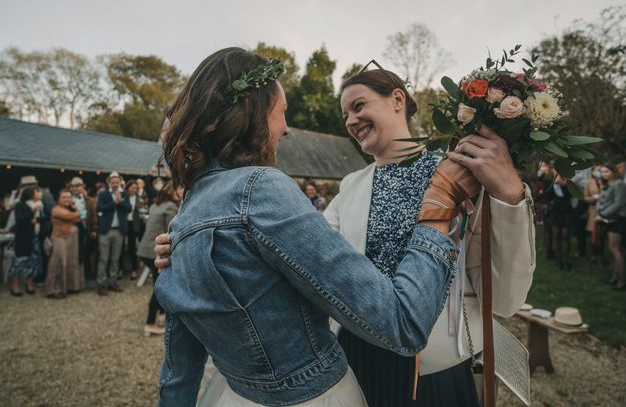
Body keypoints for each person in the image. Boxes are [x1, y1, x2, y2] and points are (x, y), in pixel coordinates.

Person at [152, 47, 479, 407]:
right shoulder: (262, 187)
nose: (286, 128)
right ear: (256, 111)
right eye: (282, 113)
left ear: (398, 100)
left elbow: (179, 372)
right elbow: (402, 322)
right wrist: (439, 205)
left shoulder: (184, 217)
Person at [323, 66, 534, 406]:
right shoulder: (349, 186)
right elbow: (321, 262)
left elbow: (504, 296)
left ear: (396, 99)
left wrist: (510, 197)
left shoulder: (458, 170)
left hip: (437, 368)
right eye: (345, 114)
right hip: (357, 358)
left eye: (359, 106)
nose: (350, 120)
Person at [136, 183, 180, 337]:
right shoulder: (170, 207)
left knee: (157, 282)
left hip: (144, 249)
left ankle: (162, 314)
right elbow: (173, 231)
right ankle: (150, 323)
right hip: (153, 251)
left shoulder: (155, 206)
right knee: (159, 287)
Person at [96, 171, 132, 296]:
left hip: (119, 230)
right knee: (103, 258)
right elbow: (99, 208)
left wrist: (120, 201)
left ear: (120, 182)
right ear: (109, 183)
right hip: (105, 230)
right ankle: (101, 284)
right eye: (113, 182)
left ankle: (113, 282)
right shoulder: (103, 194)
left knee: (115, 258)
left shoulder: (125, 194)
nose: (115, 184)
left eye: (117, 182)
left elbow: (129, 209)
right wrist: (114, 203)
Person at [596, 163, 626, 290]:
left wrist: (603, 214)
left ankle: (622, 281)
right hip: (609, 219)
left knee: (615, 249)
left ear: (614, 172)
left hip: (618, 219)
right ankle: (615, 277)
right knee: (612, 248)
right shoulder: (607, 184)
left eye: (607, 172)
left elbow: (619, 203)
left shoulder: (619, 184)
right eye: (603, 172)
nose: (604, 174)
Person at [45, 190, 82, 299]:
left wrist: (74, 212)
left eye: (69, 197)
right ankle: (53, 289)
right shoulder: (56, 209)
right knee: (58, 263)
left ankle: (69, 287)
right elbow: (70, 217)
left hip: (70, 239)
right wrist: (77, 212)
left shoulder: (68, 209)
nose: (67, 199)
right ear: (59, 199)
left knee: (70, 262)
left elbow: (78, 219)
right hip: (59, 238)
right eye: (64, 197)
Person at [9, 186, 44, 296]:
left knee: (35, 261)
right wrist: (33, 212)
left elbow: (44, 218)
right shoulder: (21, 205)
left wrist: (37, 219)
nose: (40, 193)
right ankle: (15, 285)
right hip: (24, 237)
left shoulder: (40, 204)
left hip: (36, 236)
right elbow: (20, 219)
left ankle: (30, 284)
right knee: (21, 261)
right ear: (30, 194)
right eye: (37, 191)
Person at [69, 177, 98, 284]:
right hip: (71, 231)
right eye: (73, 186)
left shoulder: (89, 200)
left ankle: (86, 276)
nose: (75, 188)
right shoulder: (67, 199)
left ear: (82, 186)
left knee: (85, 253)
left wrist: (94, 229)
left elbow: (94, 216)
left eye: (78, 186)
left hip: (86, 229)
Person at [546, 173, 574, 270]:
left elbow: (571, 195)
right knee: (556, 236)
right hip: (555, 213)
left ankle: (566, 260)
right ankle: (559, 260)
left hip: (567, 213)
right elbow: (547, 195)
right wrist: (554, 185)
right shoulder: (551, 183)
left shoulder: (568, 183)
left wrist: (564, 185)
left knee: (565, 236)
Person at [122, 180, 143, 280]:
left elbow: (141, 212)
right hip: (124, 223)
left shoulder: (138, 198)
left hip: (133, 224)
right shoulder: (123, 196)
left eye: (135, 188)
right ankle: (120, 270)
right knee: (121, 247)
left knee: (132, 247)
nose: (133, 189)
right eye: (131, 187)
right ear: (127, 188)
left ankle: (134, 269)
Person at [584, 165, 604, 264]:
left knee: (602, 233)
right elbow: (585, 197)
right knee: (592, 232)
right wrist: (592, 199)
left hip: (605, 211)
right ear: (592, 171)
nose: (599, 172)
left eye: (601, 170)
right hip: (593, 210)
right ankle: (594, 254)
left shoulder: (606, 181)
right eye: (597, 170)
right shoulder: (589, 182)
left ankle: (601, 254)